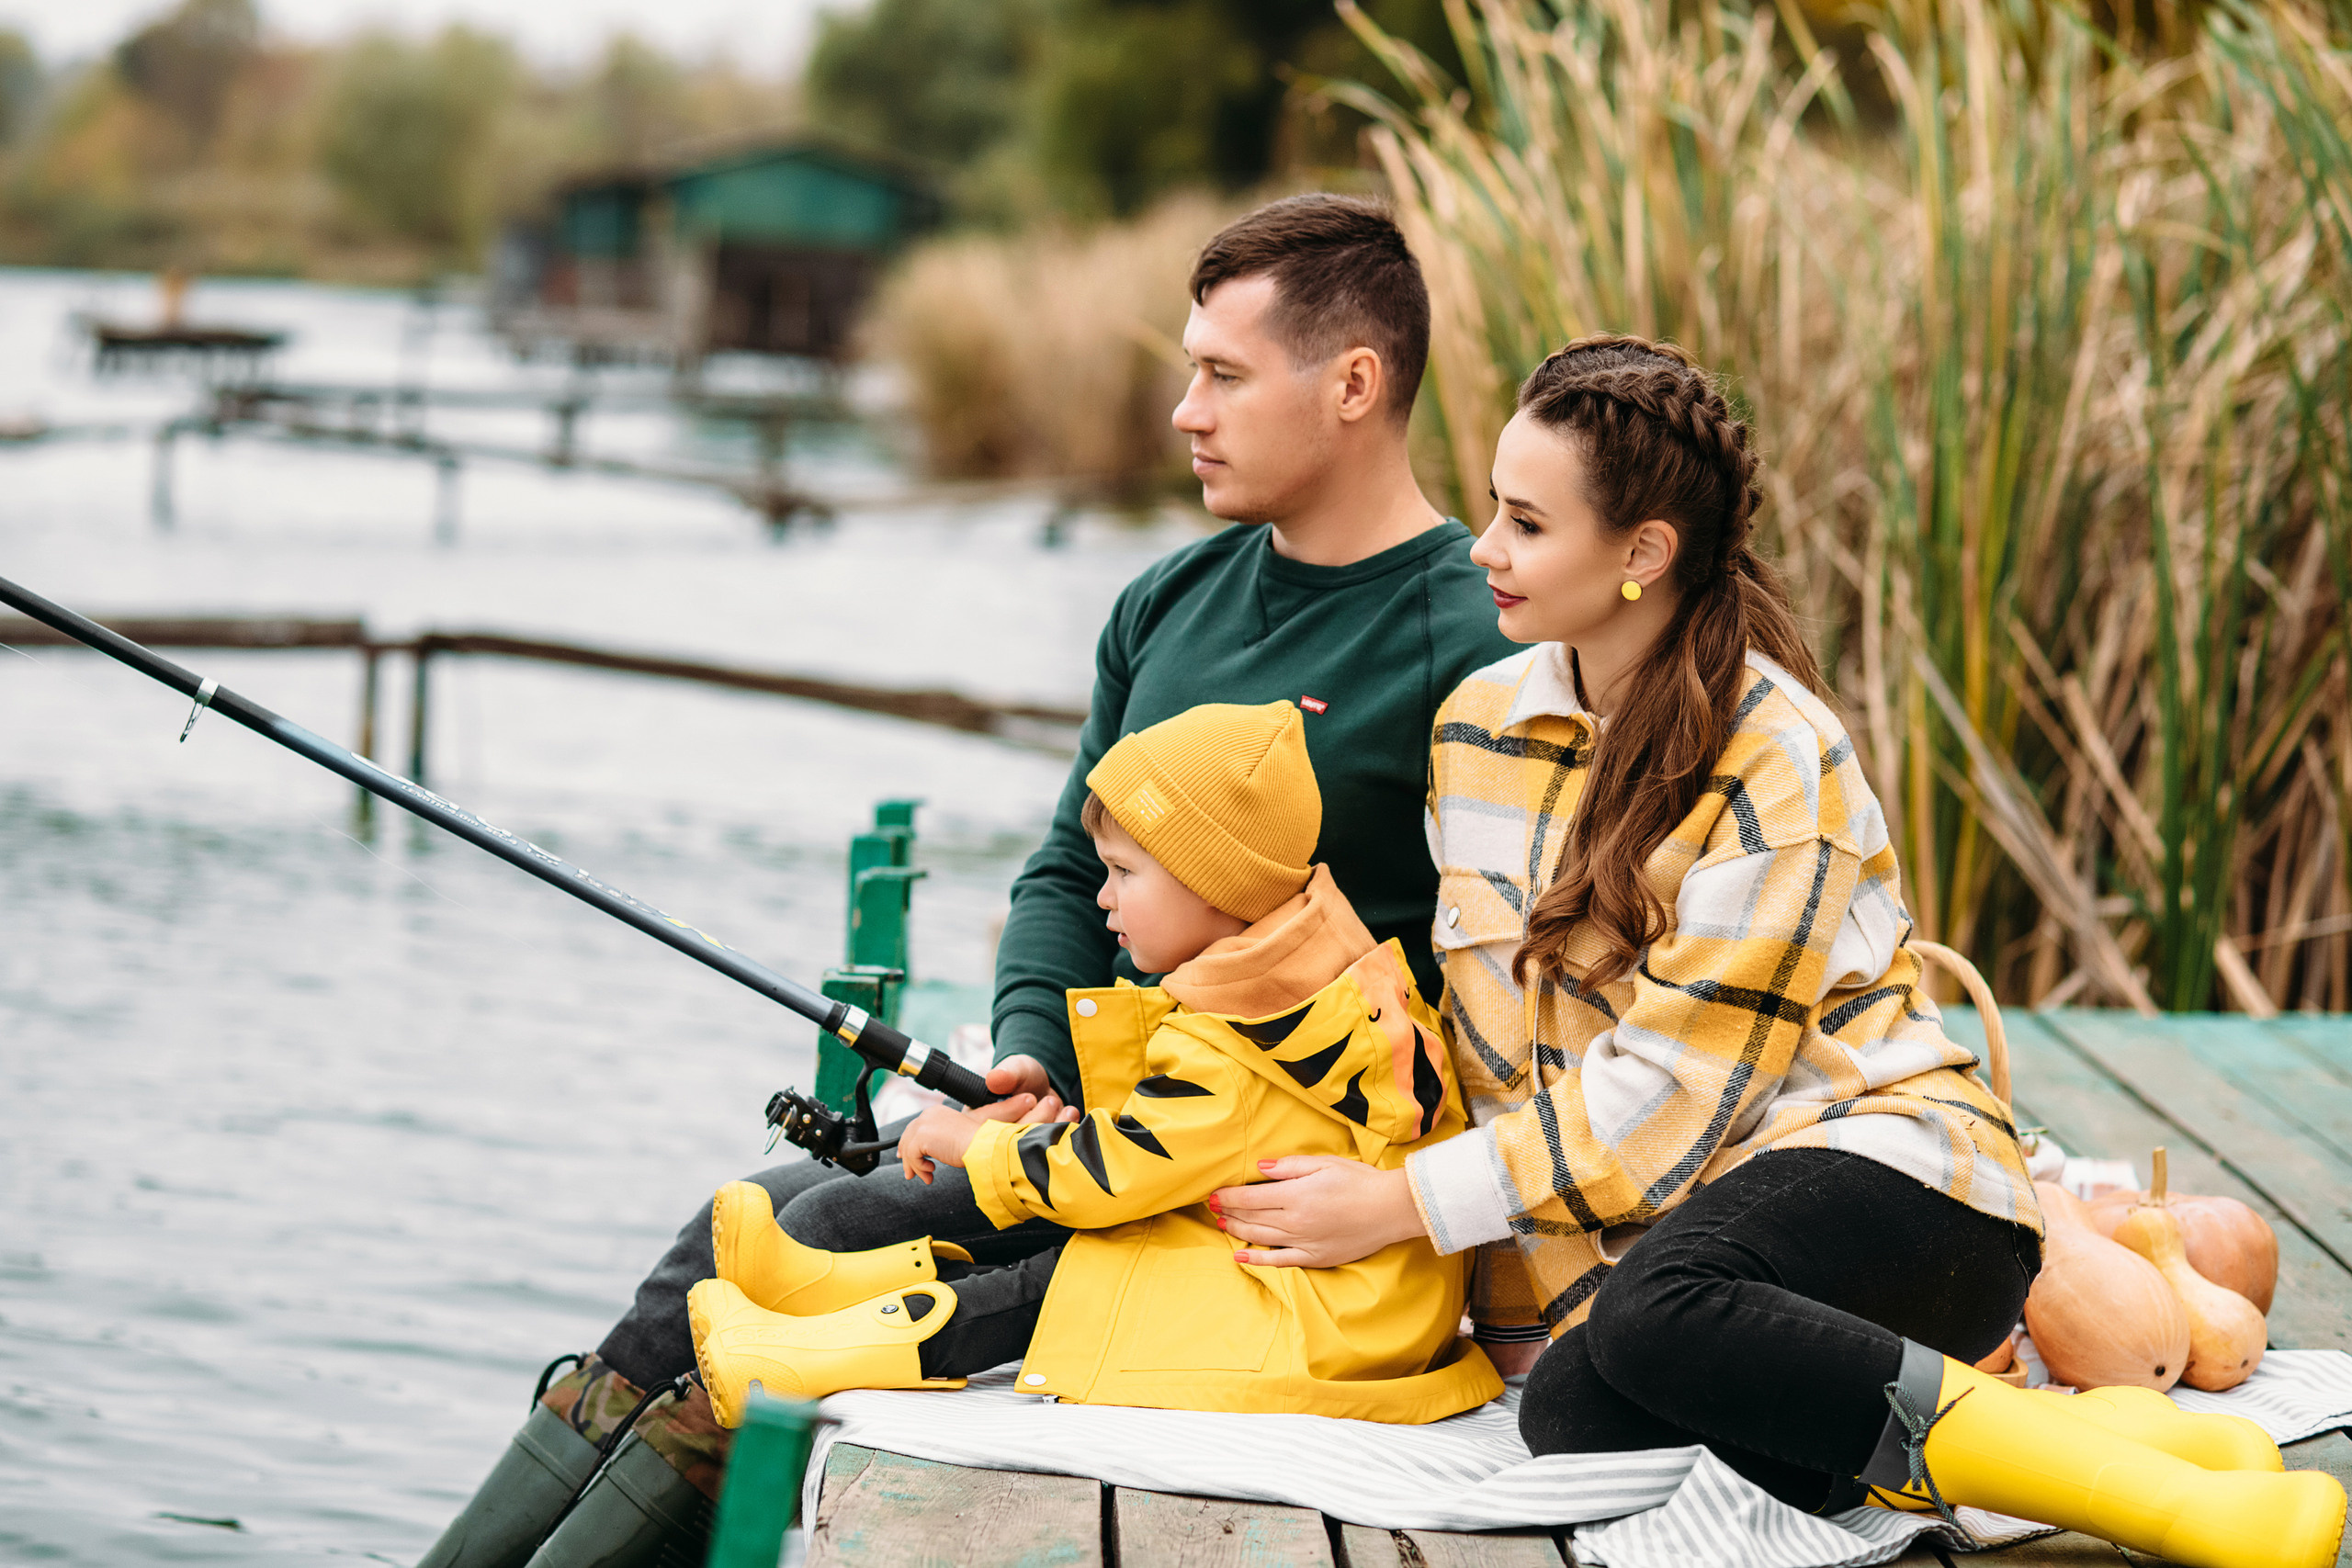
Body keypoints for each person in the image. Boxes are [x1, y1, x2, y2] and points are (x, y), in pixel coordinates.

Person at [418, 195, 1517, 1568]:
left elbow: (1507, 986)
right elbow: (1065, 867)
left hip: (1247, 1186)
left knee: (815, 1236)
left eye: (1224, 375)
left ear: (1353, 384)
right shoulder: (1166, 602)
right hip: (1083, 1127)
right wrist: (1027, 1052)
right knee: (721, 1236)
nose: (1186, 411)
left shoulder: (1475, 641)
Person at [1206, 335, 2346, 1568]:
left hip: (1900, 1184)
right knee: (1575, 1417)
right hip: (1691, 1247)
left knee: (1660, 1316)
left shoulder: (1775, 752)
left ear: (1642, 553)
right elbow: (1503, 1057)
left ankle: (2173, 1509)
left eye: (1526, 524)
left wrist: (1401, 1206)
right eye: (1494, 507)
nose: (1484, 547)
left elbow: (1664, 1102)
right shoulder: (1474, 731)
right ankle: (2114, 1436)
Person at [685, 701, 1500, 1425]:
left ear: (1212, 884)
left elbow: (1105, 1175)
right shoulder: (1309, 979)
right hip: (1355, 1299)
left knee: (1075, 1280)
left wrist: (976, 1143)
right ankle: (818, 1291)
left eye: (1123, 873)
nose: (1102, 896)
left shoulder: (1241, 1037)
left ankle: (802, 1358)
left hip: (1319, 1322)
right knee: (1079, 1252)